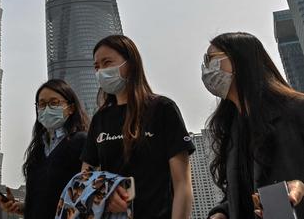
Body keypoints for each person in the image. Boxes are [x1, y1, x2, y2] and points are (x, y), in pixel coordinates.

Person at [81, 35, 194, 219]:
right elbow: (84, 178)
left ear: (131, 64)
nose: (101, 71)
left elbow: (182, 184)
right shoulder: (100, 119)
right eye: (97, 67)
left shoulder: (162, 109)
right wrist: (103, 194)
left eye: (107, 62)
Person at [203, 32, 304, 219]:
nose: (206, 69)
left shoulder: (296, 110)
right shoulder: (232, 128)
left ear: (240, 61)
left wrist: (299, 186)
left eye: (211, 59)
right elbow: (244, 193)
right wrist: (221, 213)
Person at [0, 79, 89, 218]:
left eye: (54, 103)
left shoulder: (81, 141)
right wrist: (21, 207)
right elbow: (43, 199)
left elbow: (87, 195)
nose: (47, 109)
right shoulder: (38, 149)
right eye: (42, 104)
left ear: (71, 108)